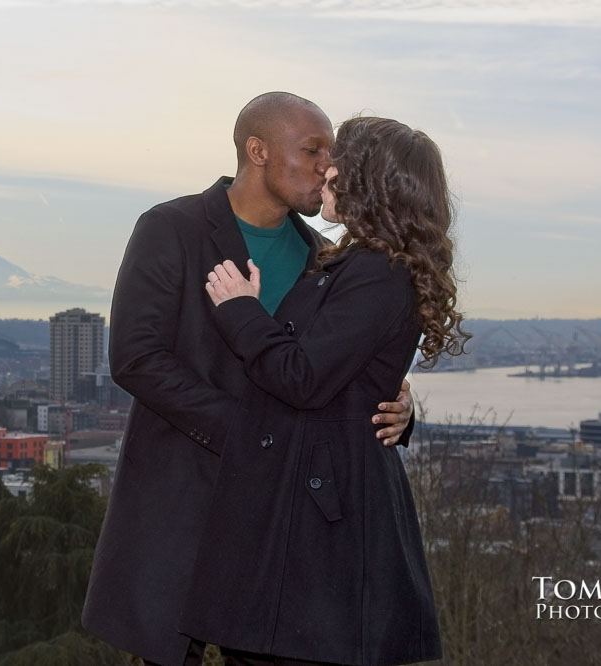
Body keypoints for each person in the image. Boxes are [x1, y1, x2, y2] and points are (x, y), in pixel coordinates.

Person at [82, 94, 416, 666]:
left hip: (286, 521)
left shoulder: (327, 256)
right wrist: (249, 434)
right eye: (311, 150)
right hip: (185, 499)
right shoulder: (172, 228)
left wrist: (401, 412)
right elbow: (136, 357)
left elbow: (330, 373)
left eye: (329, 154)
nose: (326, 167)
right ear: (257, 151)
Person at [179, 117, 469, 665]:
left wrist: (241, 310)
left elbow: (304, 379)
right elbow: (337, 375)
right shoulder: (350, 265)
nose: (326, 170)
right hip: (312, 512)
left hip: (320, 527)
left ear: (368, 180)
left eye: (338, 160)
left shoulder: (375, 272)